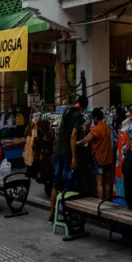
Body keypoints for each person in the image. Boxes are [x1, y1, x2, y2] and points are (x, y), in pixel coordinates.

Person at [49, 94, 87, 223]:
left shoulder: (66, 111)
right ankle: (68, 215)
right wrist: (74, 157)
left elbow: (61, 132)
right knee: (68, 184)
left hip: (58, 150)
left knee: (55, 184)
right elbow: (73, 136)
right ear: (84, 107)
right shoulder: (78, 116)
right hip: (67, 153)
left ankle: (51, 215)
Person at [77, 108, 113, 200]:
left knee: (99, 183)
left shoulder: (96, 129)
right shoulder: (107, 127)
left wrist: (76, 143)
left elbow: (85, 140)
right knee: (107, 183)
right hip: (109, 160)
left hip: (100, 160)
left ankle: (99, 205)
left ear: (95, 118)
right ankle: (108, 203)